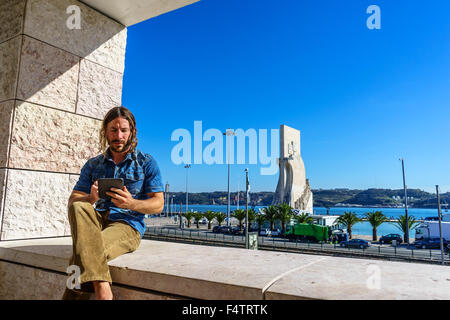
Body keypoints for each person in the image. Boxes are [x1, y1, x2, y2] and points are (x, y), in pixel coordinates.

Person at [62, 106, 164, 300]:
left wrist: (131, 203)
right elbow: (73, 200)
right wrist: (90, 198)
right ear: (106, 132)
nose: (119, 135)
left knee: (80, 256)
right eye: (113, 130)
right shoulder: (93, 164)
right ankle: (102, 286)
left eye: (124, 130)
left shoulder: (146, 162)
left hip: (127, 224)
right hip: (96, 220)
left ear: (132, 132)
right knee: (78, 205)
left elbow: (158, 204)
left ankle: (97, 291)